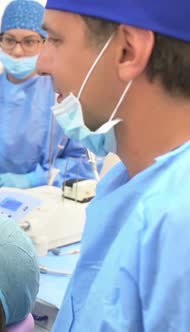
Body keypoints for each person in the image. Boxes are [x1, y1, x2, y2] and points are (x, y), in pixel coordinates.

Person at [36, 0, 190, 330]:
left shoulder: (180, 218)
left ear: (127, 51)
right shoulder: (124, 181)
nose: (41, 63)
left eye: (55, 40)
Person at [0, 0, 98, 212]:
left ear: (45, 42)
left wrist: (34, 179)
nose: (17, 51)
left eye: (29, 41)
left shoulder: (63, 96)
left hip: (45, 207)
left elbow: (84, 161)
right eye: (9, 40)